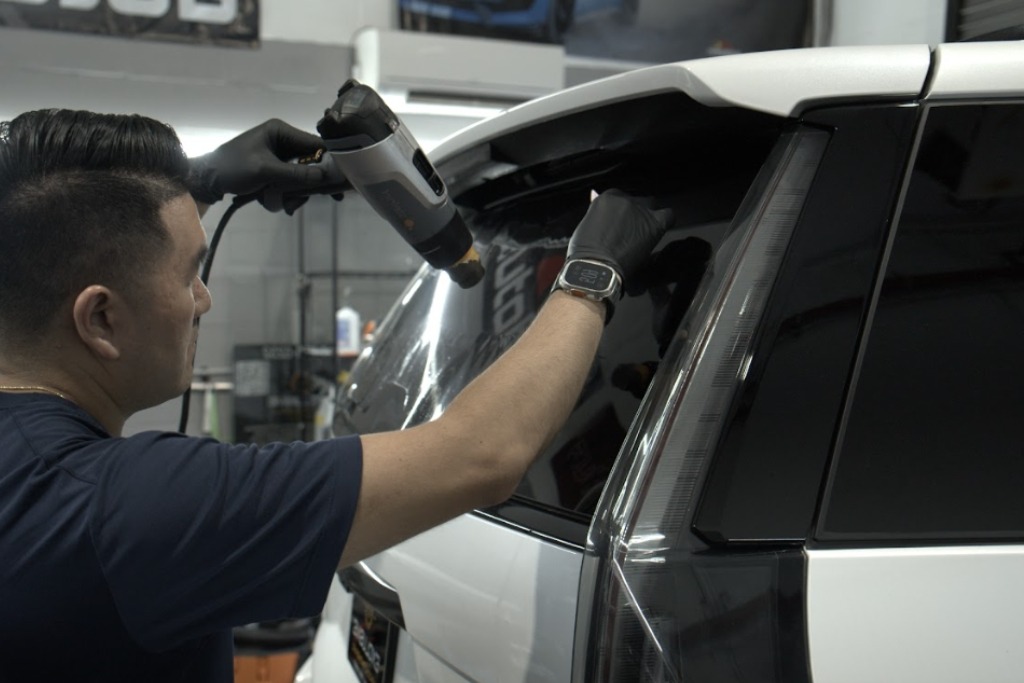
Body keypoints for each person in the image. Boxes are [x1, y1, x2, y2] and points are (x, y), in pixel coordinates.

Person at [0, 108, 671, 681]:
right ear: (100, 319)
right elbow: (483, 453)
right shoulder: (123, 511)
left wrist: (193, 181)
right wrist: (591, 272)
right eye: (190, 273)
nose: (203, 299)